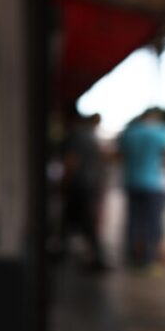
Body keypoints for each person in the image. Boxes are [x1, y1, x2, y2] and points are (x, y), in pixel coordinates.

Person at [118, 108, 165, 271]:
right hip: (153, 184)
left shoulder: (129, 133)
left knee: (134, 220)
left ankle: (132, 256)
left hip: (131, 182)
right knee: (152, 222)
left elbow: (119, 155)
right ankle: (149, 259)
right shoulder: (160, 133)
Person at [62, 112, 108, 271]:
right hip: (90, 183)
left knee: (80, 220)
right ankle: (95, 256)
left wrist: (66, 181)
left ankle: (95, 257)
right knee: (84, 220)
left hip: (80, 183)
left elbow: (71, 160)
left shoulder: (78, 135)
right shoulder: (91, 137)